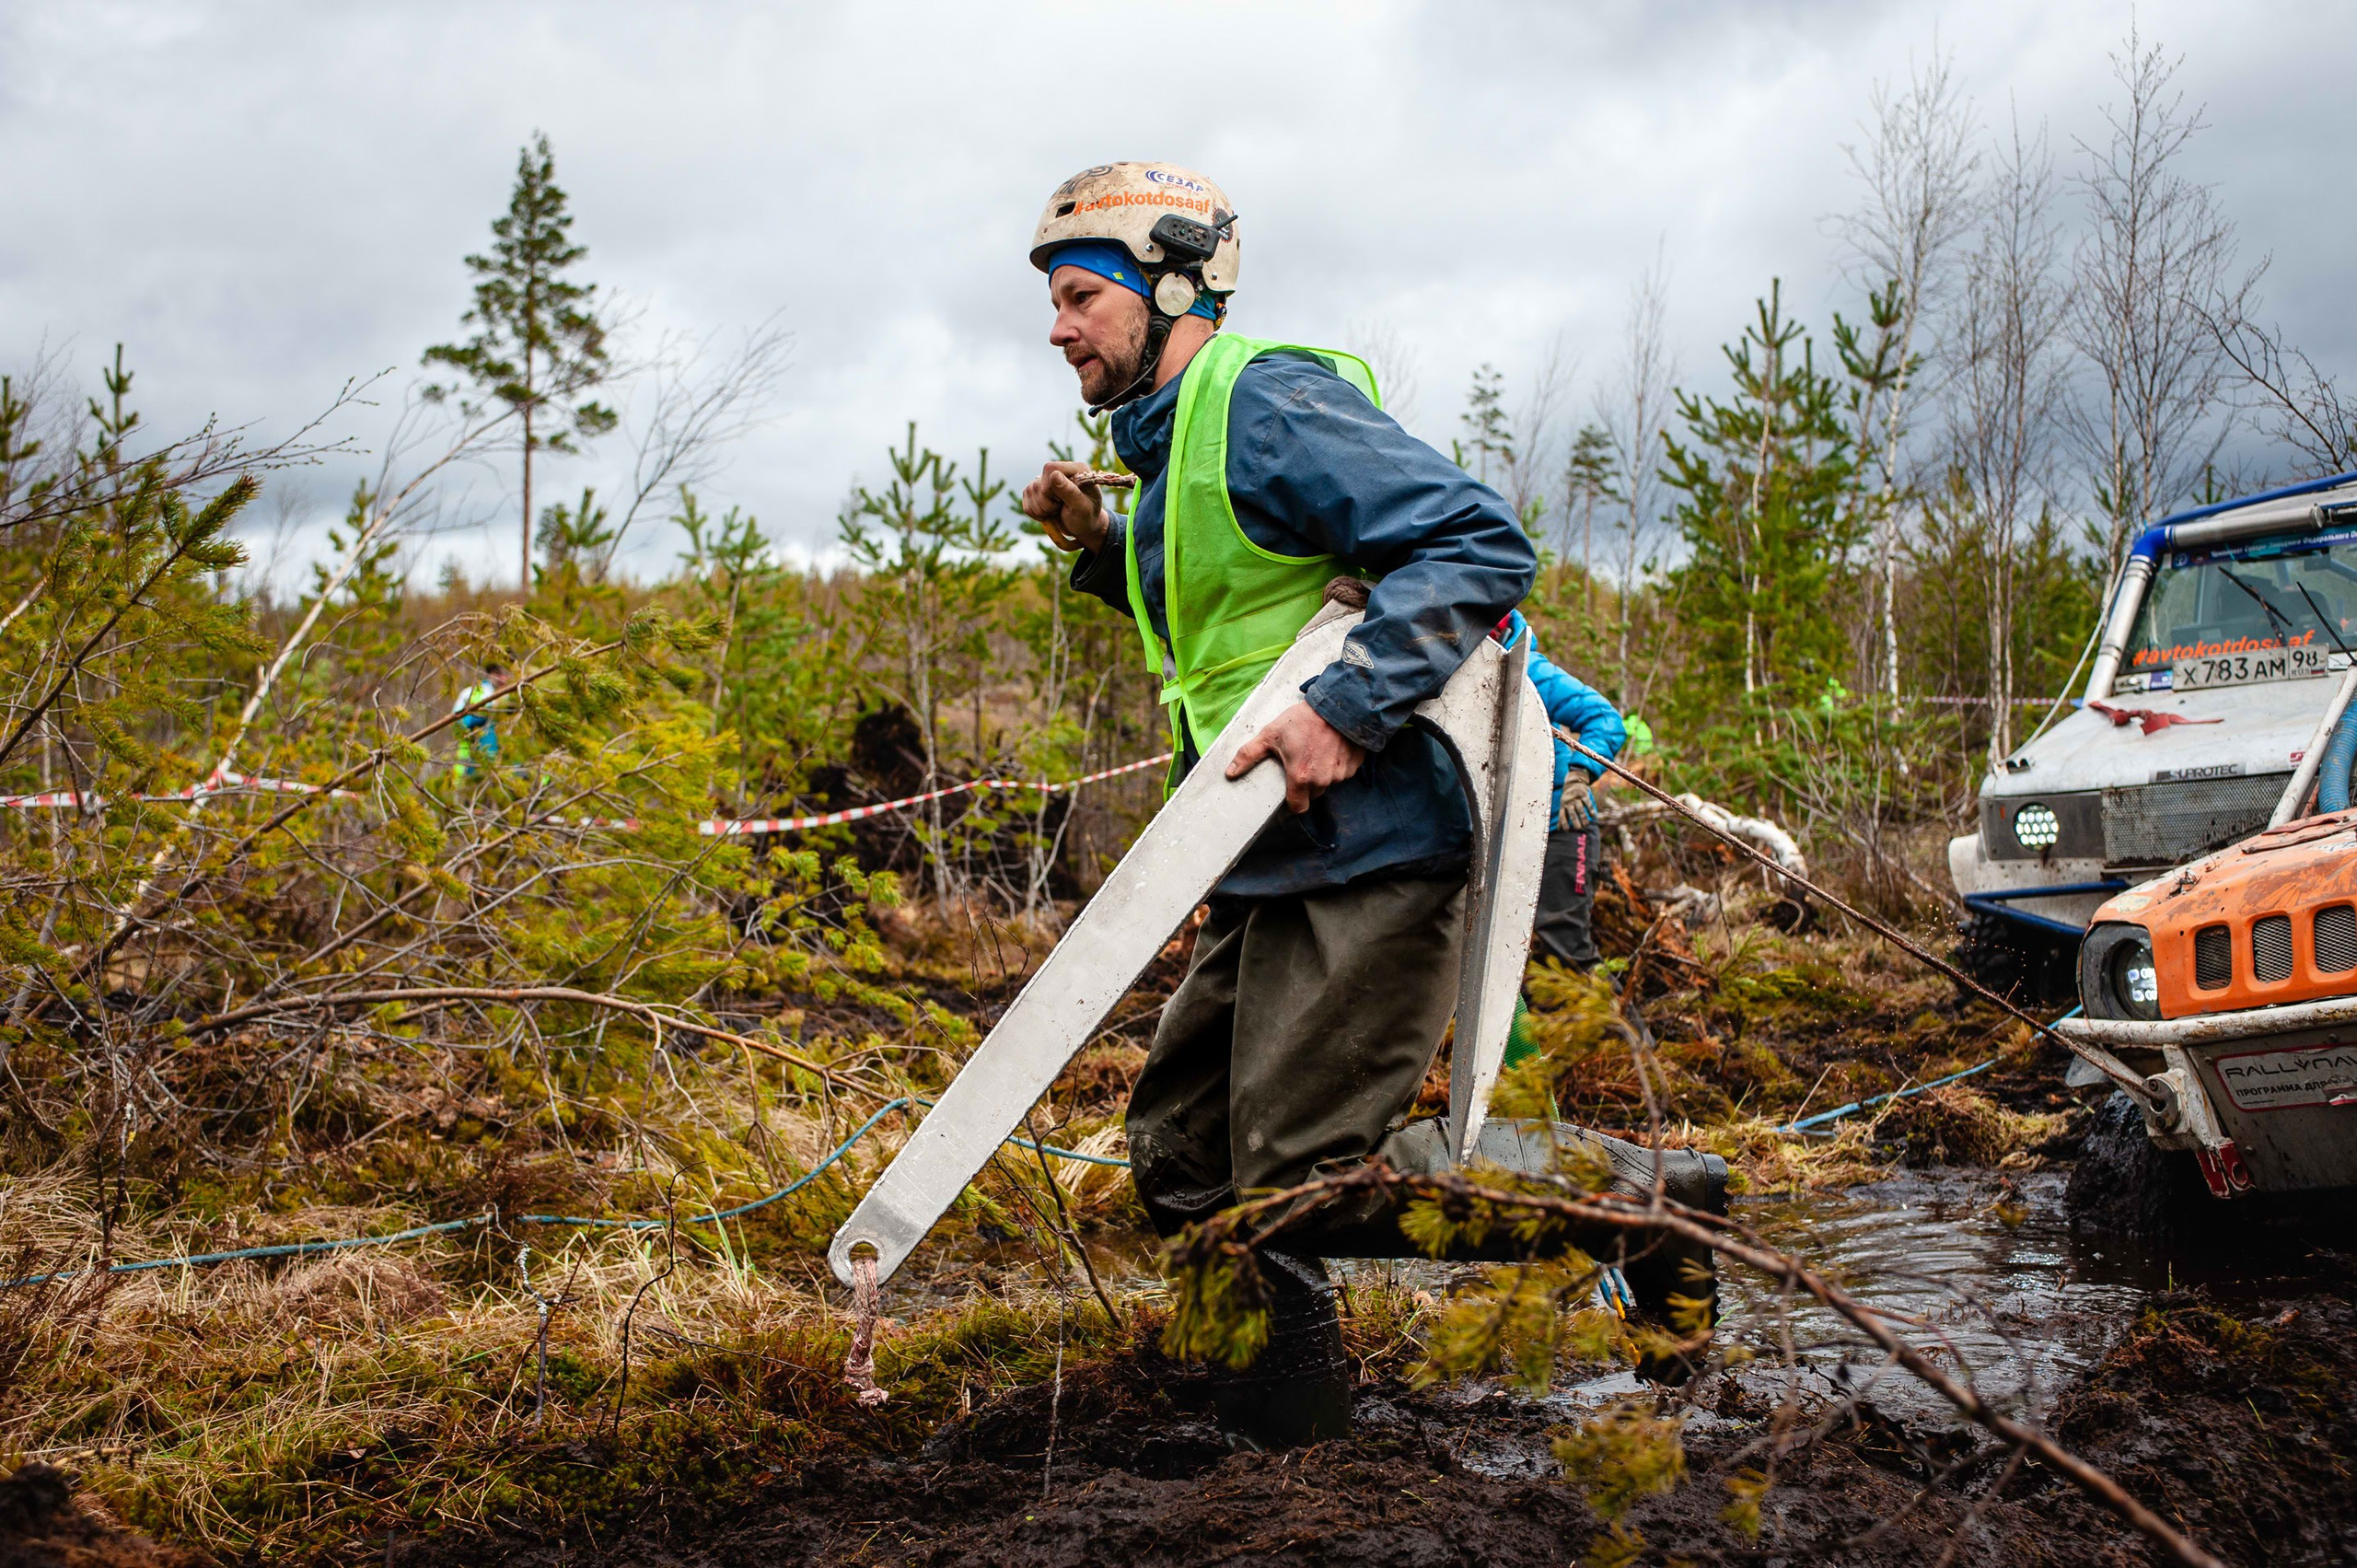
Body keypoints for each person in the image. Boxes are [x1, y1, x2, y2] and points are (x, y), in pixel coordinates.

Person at [1018, 164, 1723, 1447]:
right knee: (1183, 1151)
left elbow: (1475, 542)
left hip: (1375, 839)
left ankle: (1653, 1205)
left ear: (1170, 289)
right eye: (1056, 304)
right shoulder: (1172, 453)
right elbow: (1246, 617)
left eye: (1080, 297)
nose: (1058, 328)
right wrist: (1101, 544)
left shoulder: (1265, 401)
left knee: (1295, 1182)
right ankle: (1259, 1425)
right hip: (1262, 847)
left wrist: (1345, 710)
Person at [1499, 610, 1626, 973]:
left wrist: (1580, 775)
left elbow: (1605, 719)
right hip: (1508, 839)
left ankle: (1614, 1013)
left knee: (1564, 950)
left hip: (1564, 827)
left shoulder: (1529, 671)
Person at [451, 661, 505, 782]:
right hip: (473, 759)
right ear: (491, 674)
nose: (503, 679)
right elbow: (460, 722)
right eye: (499, 674)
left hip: (501, 765)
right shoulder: (474, 692)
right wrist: (486, 713)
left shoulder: (512, 697)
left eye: (506, 674)